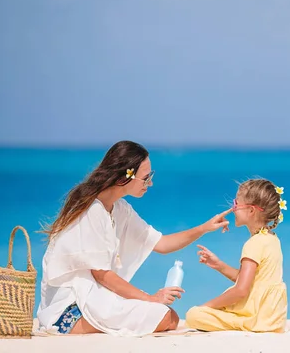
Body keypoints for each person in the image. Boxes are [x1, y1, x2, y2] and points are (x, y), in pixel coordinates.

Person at [36, 141, 231, 337]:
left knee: (167, 317)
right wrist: (150, 298)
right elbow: (102, 275)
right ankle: (72, 326)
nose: (150, 183)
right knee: (166, 317)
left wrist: (204, 228)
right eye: (146, 178)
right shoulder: (92, 211)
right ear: (124, 177)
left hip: (92, 300)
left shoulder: (119, 209)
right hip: (68, 310)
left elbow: (161, 243)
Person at [185, 178, 288, 332]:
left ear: (251, 210)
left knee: (193, 315)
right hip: (273, 319)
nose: (233, 209)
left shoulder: (253, 244)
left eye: (236, 204)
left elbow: (241, 291)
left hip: (255, 319)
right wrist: (219, 265)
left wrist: (206, 306)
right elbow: (251, 282)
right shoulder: (272, 239)